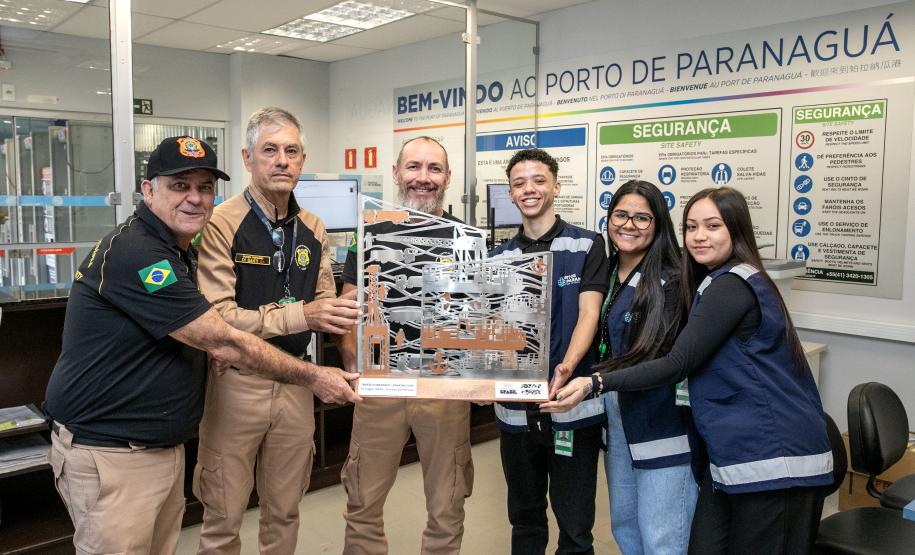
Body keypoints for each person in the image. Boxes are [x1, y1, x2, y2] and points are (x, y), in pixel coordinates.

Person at [44, 136, 360, 555]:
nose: (194, 198)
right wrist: (313, 373)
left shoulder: (179, 250)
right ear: (148, 189)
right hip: (112, 451)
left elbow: (194, 334)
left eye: (204, 187)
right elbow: (220, 333)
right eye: (179, 186)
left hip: (159, 447)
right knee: (219, 517)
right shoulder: (139, 253)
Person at [543, 186, 833, 554]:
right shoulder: (705, 279)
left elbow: (677, 361)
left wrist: (594, 382)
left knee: (668, 537)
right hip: (730, 450)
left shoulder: (728, 284)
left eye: (712, 226)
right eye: (692, 227)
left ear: (736, 229)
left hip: (771, 455)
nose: (699, 236)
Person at [193, 108, 360, 554]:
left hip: (295, 384)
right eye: (270, 150)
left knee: (284, 512)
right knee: (222, 518)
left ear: (302, 160)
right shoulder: (220, 223)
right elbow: (220, 318)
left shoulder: (314, 228)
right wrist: (301, 316)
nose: (281, 160)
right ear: (248, 158)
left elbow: (328, 303)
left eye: (291, 151)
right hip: (237, 386)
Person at [339, 136, 474, 554]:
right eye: (413, 167)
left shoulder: (467, 240)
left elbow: (478, 319)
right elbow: (348, 310)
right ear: (396, 174)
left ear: (448, 178)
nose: (423, 178)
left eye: (434, 169)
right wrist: (353, 370)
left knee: (447, 506)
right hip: (380, 389)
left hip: (444, 390)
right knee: (362, 504)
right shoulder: (368, 237)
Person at [489, 148, 608, 554]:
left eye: (539, 180)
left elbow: (588, 314)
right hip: (515, 415)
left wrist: (567, 368)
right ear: (510, 192)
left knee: (575, 527)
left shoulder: (588, 245)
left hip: (572, 407)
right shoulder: (496, 258)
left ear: (556, 186)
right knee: (525, 520)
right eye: (519, 183)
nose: (530, 189)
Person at [597, 180, 697, 554]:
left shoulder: (673, 279)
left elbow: (661, 357)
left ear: (658, 225)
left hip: (661, 420)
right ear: (608, 220)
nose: (629, 225)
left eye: (643, 217)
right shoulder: (606, 273)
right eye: (621, 215)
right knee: (625, 524)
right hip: (616, 414)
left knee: (663, 535)